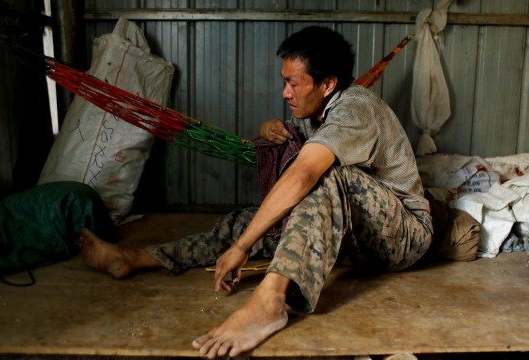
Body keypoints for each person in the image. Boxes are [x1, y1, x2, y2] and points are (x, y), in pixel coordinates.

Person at [80, 26, 433, 358]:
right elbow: (280, 141)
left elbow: (303, 174)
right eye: (285, 83)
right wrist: (269, 127)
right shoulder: (316, 113)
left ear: (328, 84)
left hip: (403, 235)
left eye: (294, 83)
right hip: (355, 234)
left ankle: (269, 301)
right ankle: (137, 259)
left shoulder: (356, 109)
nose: (285, 93)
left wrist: (242, 248)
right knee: (252, 221)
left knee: (322, 178)